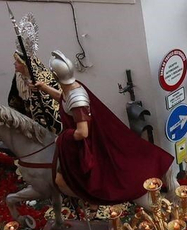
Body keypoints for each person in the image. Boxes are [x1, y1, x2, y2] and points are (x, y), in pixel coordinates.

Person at [35, 51, 175, 205]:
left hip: (87, 146)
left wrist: (62, 137)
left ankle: (92, 201)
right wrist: (44, 88)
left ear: (55, 75)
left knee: (63, 180)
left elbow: (82, 132)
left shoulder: (77, 97)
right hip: (82, 140)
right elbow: (65, 101)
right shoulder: (71, 89)